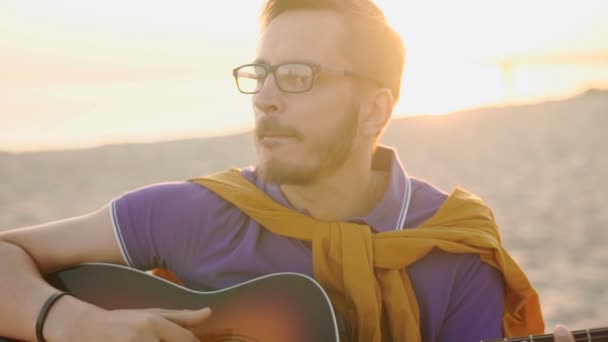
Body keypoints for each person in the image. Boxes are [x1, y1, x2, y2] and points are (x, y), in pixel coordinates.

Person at [0, 0, 579, 341]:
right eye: (261, 74)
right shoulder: (194, 212)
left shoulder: (452, 248)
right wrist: (72, 322)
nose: (265, 99)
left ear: (374, 108)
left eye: (297, 75)